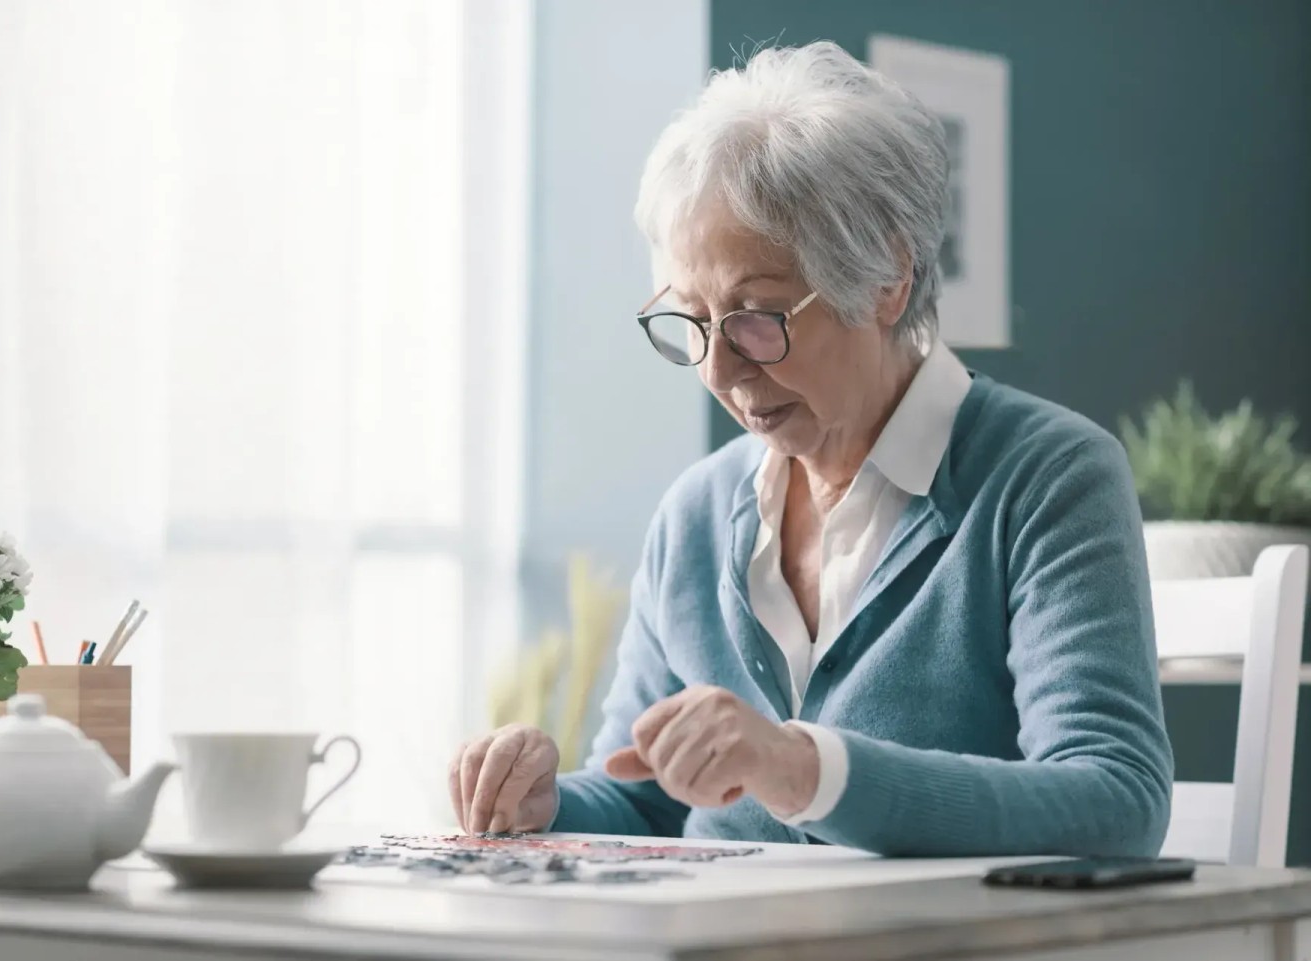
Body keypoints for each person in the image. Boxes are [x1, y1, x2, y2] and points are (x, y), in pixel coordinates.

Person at [449, 42, 1172, 856]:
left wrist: (804, 769)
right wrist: (544, 802)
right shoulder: (695, 515)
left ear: (887, 279)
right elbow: (644, 803)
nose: (718, 370)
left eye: (757, 318)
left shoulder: (1047, 478)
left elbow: (1116, 802)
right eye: (692, 320)